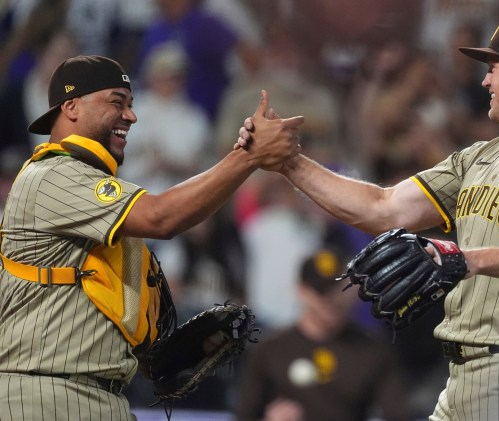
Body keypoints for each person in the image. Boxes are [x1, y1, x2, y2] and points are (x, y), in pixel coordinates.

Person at [238, 16, 499, 420]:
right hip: (462, 376)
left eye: (493, 69)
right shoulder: (480, 156)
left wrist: (468, 258)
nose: (485, 82)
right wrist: (289, 162)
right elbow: (382, 207)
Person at [0, 55, 303, 420]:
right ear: (71, 106)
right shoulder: (50, 176)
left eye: (131, 104)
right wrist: (248, 156)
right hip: (42, 396)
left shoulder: (101, 208)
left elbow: (94, 305)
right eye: (116, 102)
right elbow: (162, 218)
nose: (131, 115)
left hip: (99, 398)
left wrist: (160, 355)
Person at [235, 247, 411, 421]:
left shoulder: (372, 350)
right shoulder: (270, 350)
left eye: (339, 289)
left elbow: (397, 415)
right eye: (321, 291)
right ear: (301, 291)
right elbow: (245, 415)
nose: (331, 299)